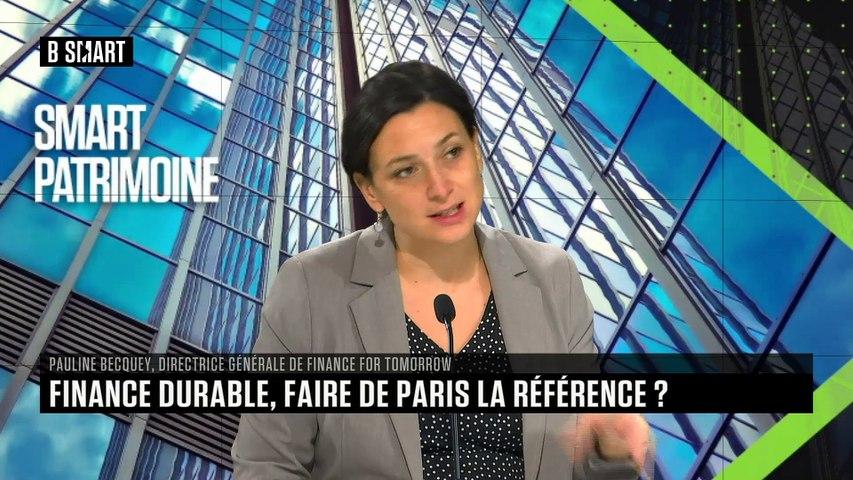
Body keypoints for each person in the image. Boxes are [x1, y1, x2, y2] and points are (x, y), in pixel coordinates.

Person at [232, 61, 653, 479]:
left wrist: (609, 451)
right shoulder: (312, 287)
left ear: (476, 148)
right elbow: (267, 463)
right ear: (370, 190)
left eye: (452, 153)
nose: (440, 187)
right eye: (407, 171)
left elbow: (580, 454)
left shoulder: (552, 276)